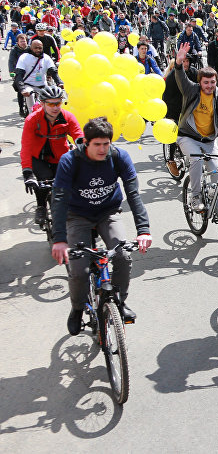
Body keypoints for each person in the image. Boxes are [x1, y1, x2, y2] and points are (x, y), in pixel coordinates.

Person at [50, 117, 152, 335]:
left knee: (123, 255)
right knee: (79, 270)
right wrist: (59, 239)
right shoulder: (70, 161)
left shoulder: (118, 156)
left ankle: (119, 302)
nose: (103, 149)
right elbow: (58, 200)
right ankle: (77, 309)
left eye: (106, 144)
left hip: (108, 213)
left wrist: (143, 230)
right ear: (86, 142)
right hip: (77, 216)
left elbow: (133, 194)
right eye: (97, 144)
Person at [173, 42, 218, 213]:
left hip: (208, 139)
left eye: (212, 82)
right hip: (187, 136)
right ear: (200, 83)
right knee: (197, 160)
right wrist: (178, 62)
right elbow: (180, 76)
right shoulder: (191, 90)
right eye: (206, 83)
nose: (209, 86)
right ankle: (196, 196)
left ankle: (216, 203)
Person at [21, 85, 82, 225]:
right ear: (42, 103)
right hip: (38, 157)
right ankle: (41, 206)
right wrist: (27, 173)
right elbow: (26, 147)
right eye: (50, 104)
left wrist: (84, 150)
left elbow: (79, 136)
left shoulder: (68, 117)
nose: (55, 107)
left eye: (58, 103)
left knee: (69, 183)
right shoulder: (32, 120)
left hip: (59, 156)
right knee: (44, 181)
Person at [15, 38, 62, 107]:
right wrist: (22, 89)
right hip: (28, 85)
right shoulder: (24, 57)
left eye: (40, 48)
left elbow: (53, 72)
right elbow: (19, 75)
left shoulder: (46, 58)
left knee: (49, 102)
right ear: (31, 48)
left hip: (42, 85)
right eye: (35, 48)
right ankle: (31, 114)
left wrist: (59, 82)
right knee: (30, 97)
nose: (38, 50)